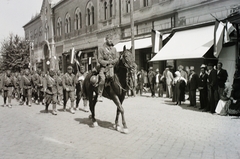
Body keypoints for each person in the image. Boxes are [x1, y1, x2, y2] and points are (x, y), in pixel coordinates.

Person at [97, 34, 119, 102]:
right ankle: (99, 95)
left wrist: (112, 62)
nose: (110, 41)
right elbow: (100, 60)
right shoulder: (101, 49)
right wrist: (107, 62)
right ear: (106, 40)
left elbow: (117, 58)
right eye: (109, 39)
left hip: (112, 67)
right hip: (104, 68)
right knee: (103, 79)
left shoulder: (114, 49)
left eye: (111, 39)